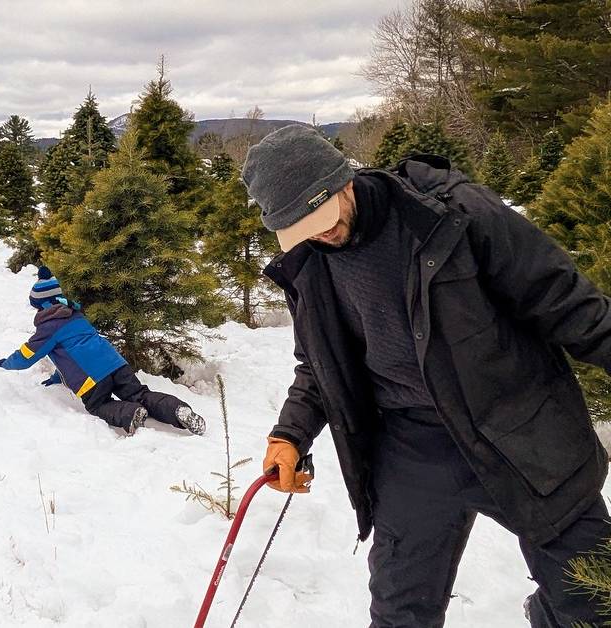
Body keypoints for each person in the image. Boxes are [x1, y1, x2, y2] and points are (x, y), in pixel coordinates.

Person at [242, 124, 611, 627]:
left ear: (344, 180)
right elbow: (320, 362)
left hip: (519, 433)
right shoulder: (310, 262)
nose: (320, 232)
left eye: (322, 215)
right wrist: (290, 432)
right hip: (412, 448)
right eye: (301, 227)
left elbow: (566, 303)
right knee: (400, 614)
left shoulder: (453, 215)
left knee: (593, 603)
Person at [0, 267, 206, 436]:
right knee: (140, 394)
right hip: (115, 363)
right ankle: (177, 410)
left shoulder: (48, 328)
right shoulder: (76, 316)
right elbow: (74, 352)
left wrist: (4, 364)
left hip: (92, 378)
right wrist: (59, 377)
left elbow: (25, 356)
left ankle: (130, 414)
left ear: (42, 305)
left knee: (99, 404)